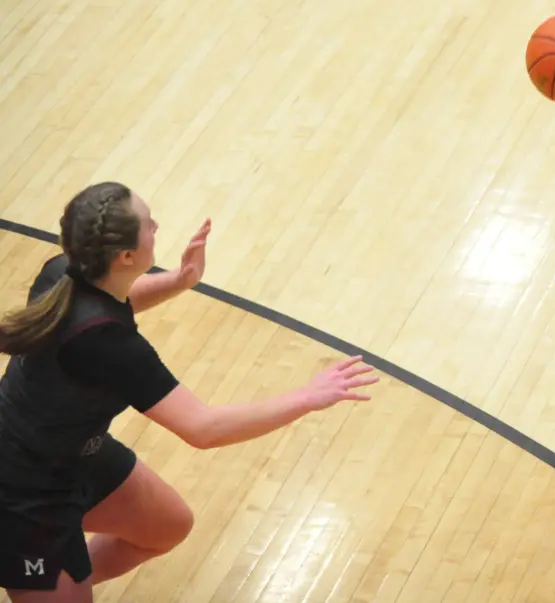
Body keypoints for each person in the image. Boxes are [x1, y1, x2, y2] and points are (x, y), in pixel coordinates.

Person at [0, 182, 379, 601]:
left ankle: (66, 585)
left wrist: (181, 281)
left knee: (165, 526)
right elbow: (204, 428)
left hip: (67, 454)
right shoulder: (110, 346)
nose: (156, 226)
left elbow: (115, 299)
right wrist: (306, 397)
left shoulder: (61, 273)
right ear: (126, 257)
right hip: (21, 492)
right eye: (148, 223)